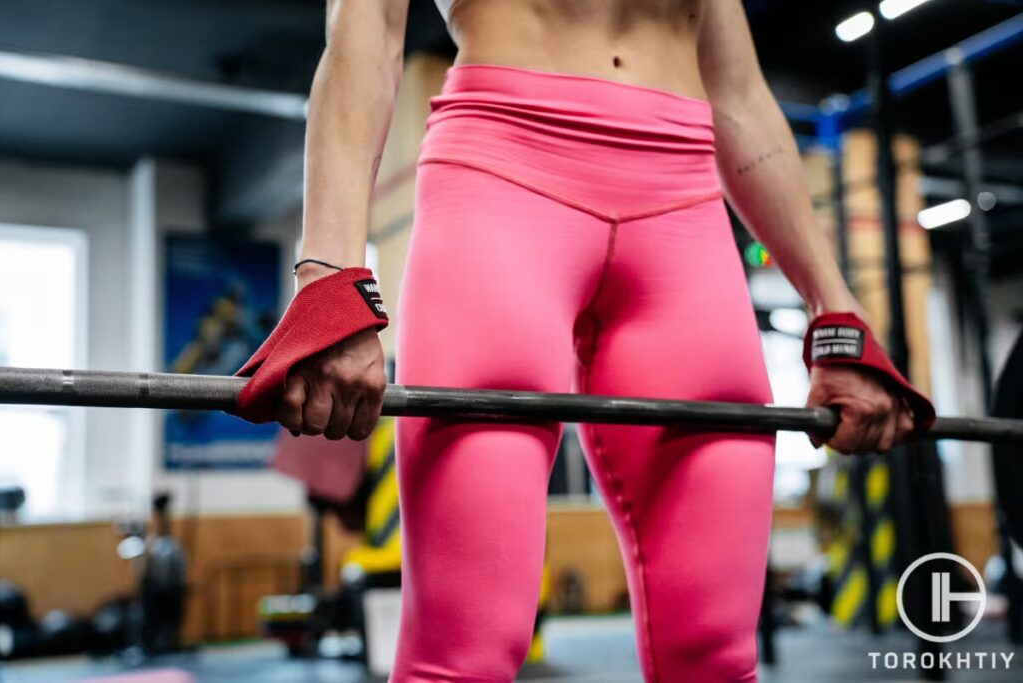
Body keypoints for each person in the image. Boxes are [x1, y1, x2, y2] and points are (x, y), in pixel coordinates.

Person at [235, 0, 933, 680]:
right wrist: (330, 273)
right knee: (465, 657)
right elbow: (366, 34)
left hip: (686, 212)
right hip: (502, 176)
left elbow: (739, 94)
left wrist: (836, 313)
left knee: (717, 655)